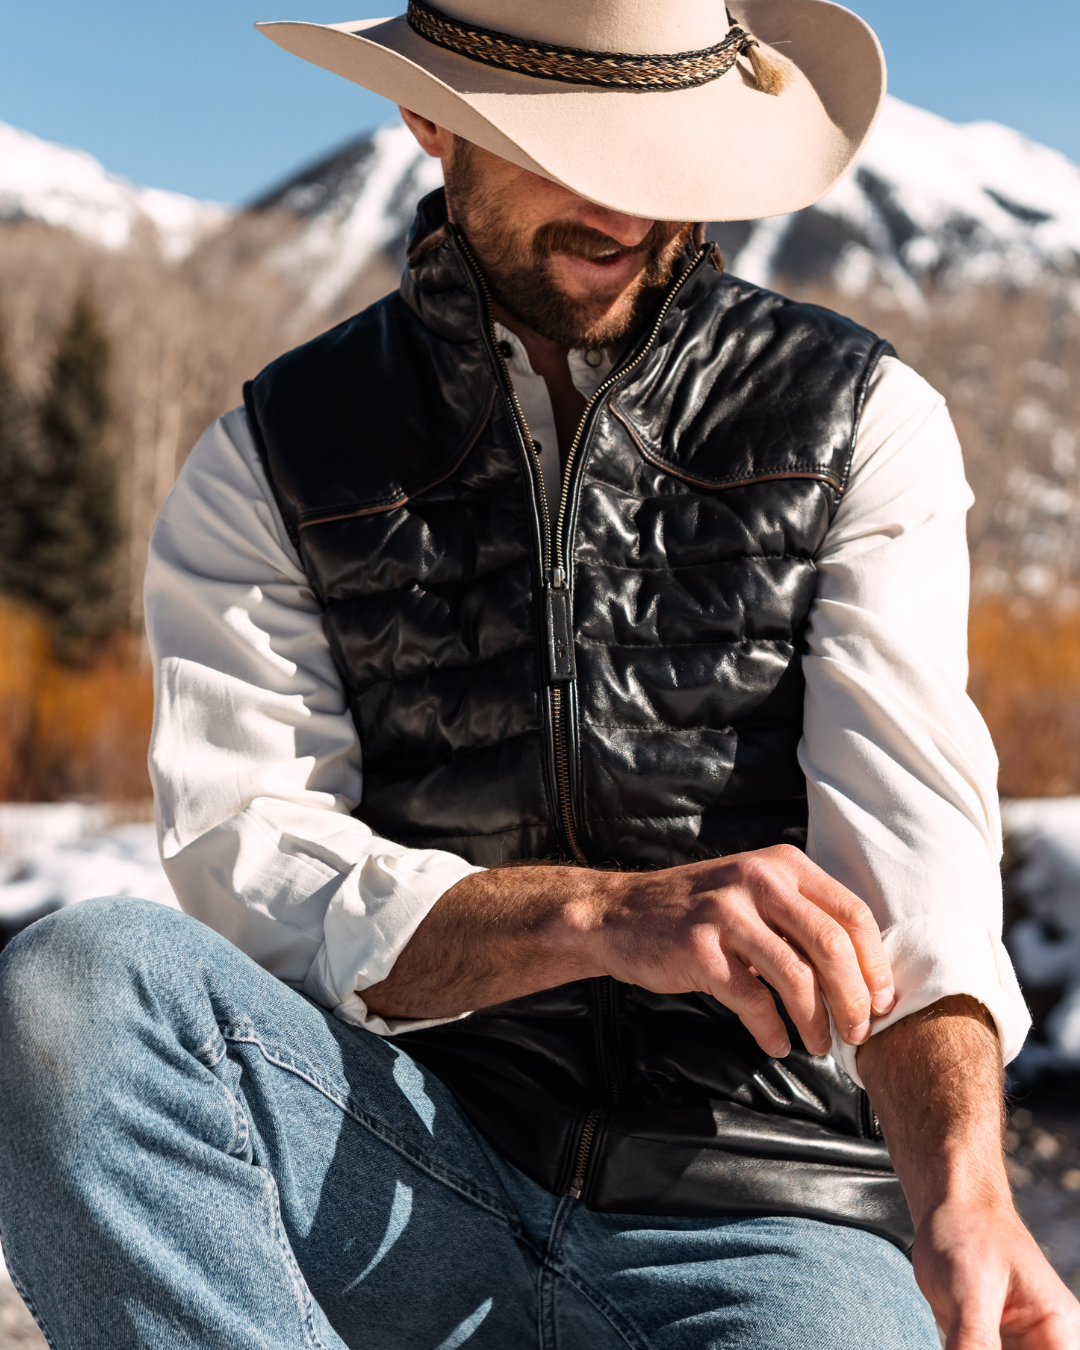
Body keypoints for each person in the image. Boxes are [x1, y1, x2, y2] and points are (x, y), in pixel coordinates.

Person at [1, 2, 1077, 1346]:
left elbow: (915, 868)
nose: (624, 193)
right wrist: (598, 918)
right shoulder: (272, 460)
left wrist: (967, 1197)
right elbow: (248, 861)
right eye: (566, 137)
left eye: (660, 140)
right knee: (78, 982)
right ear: (430, 119)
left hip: (774, 1218)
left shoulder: (864, 423)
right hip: (403, 1164)